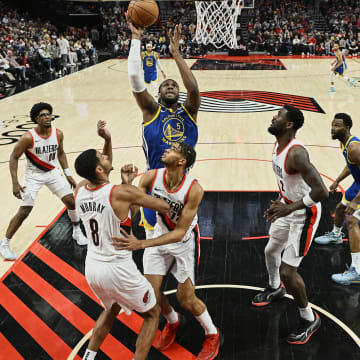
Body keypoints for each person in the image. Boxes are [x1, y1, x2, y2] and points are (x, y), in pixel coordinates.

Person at [114, 142, 221, 360]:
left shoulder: (194, 189)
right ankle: (173, 321)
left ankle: (212, 333)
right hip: (157, 239)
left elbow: (180, 232)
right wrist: (127, 186)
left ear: (182, 161)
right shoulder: (151, 177)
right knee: (150, 296)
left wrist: (142, 244)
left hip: (184, 244)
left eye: (172, 150)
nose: (165, 150)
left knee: (187, 299)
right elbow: (133, 207)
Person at [74, 121, 170, 360]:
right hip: (117, 267)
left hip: (93, 267)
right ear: (98, 169)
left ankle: (89, 356)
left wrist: (107, 139)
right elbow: (164, 205)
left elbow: (127, 214)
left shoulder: (80, 188)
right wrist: (139, 185)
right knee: (152, 313)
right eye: (101, 156)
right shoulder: (120, 193)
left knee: (111, 308)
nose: (105, 155)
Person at [251, 105, 328, 344]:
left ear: (288, 125)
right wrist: (280, 201)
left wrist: (289, 207)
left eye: (278, 116)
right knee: (270, 250)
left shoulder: (296, 154)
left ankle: (309, 318)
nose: (273, 117)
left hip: (305, 215)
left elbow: (321, 191)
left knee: (288, 271)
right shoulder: (277, 145)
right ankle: (275, 288)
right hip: (287, 207)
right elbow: (289, 183)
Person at [128, 21, 200, 239]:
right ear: (158, 94)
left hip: (183, 187)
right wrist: (136, 40)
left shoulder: (189, 112)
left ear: (179, 93)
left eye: (174, 85)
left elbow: (194, 88)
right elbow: (134, 79)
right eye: (166, 85)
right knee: (154, 248)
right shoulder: (151, 111)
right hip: (153, 187)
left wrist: (176, 54)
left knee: (183, 242)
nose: (170, 86)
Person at [0, 102, 87, 261]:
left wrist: (67, 174)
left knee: (71, 201)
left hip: (53, 173)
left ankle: (77, 231)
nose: (47, 117)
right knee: (25, 210)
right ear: (36, 119)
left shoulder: (58, 133)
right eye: (43, 115)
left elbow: (61, 153)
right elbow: (13, 157)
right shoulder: (28, 137)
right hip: (33, 176)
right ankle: (5, 243)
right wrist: (15, 182)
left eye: (49, 114)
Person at [314, 113, 360, 285]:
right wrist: (337, 181)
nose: (333, 129)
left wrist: (356, 201)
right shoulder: (345, 145)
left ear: (347, 128)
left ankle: (357, 271)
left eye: (337, 125)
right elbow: (351, 165)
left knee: (353, 221)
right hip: (358, 183)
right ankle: (336, 235)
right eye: (332, 125)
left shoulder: (355, 147)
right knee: (340, 208)